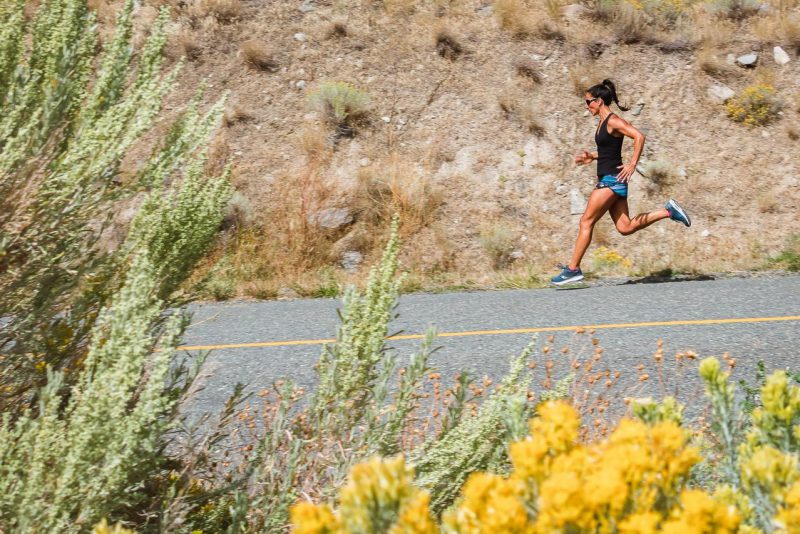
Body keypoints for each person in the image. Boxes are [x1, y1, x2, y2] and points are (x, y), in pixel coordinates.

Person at [550, 79, 691, 286]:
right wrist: (592, 156)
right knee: (625, 227)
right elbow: (610, 153)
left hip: (611, 181)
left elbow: (639, 136)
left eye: (588, 102)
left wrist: (632, 164)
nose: (587, 106)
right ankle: (668, 211)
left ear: (598, 101)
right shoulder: (602, 122)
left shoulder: (613, 121)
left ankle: (573, 269)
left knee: (585, 222)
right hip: (613, 180)